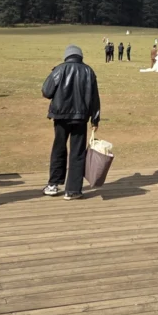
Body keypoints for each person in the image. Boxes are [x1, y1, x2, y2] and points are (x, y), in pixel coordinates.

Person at [41, 45, 101, 199]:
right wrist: (95, 119)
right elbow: (95, 98)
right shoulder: (89, 71)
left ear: (66, 56)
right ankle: (73, 190)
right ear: (80, 56)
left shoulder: (59, 69)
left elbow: (46, 92)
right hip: (81, 118)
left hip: (60, 117)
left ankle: (53, 184)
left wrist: (53, 73)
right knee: (78, 152)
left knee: (59, 148)